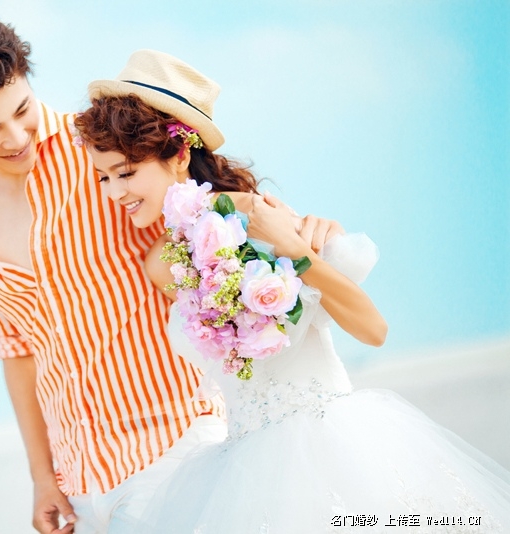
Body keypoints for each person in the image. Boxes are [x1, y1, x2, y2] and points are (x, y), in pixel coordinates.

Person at [0, 8, 341, 533]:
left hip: (176, 447)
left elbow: (214, 206)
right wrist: (43, 478)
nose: (17, 137)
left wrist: (307, 229)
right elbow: (17, 348)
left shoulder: (102, 151)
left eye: (22, 109)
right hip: (79, 479)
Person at [74, 49, 510, 532]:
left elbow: (374, 329)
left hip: (332, 445)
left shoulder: (258, 217)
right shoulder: (162, 263)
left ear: (178, 155)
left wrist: (297, 250)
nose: (114, 192)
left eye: (126, 172)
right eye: (103, 177)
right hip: (241, 470)